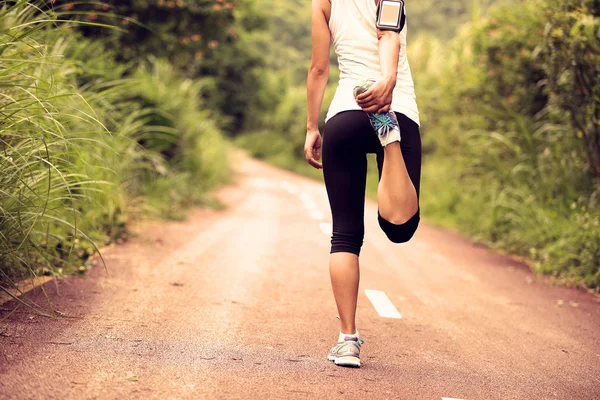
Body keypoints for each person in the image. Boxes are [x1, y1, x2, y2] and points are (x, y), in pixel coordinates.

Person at [305, 0, 422, 368]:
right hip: (397, 108)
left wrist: (312, 127)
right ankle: (389, 140)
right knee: (400, 228)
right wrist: (388, 83)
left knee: (344, 235)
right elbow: (389, 35)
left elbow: (319, 68)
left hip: (346, 112)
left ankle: (348, 340)